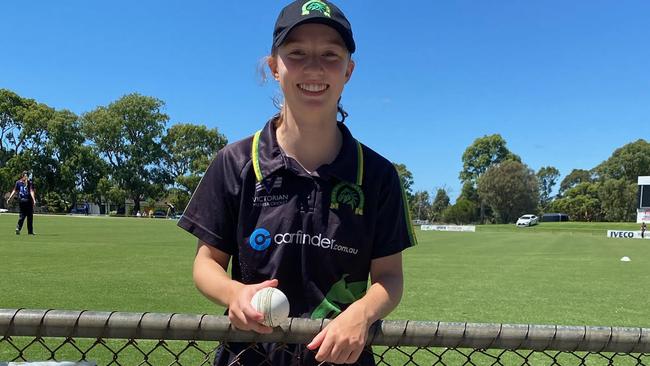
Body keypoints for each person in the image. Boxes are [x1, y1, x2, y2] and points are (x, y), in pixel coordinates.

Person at [178, 1, 417, 364]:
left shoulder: (379, 175)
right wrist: (233, 293)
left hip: (340, 358)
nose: (314, 67)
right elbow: (205, 263)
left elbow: (389, 278)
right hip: (249, 356)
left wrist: (362, 313)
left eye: (330, 55)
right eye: (297, 53)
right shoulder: (236, 162)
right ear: (274, 67)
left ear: (349, 71)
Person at [7, 171, 36, 235]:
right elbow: (31, 191)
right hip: (28, 201)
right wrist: (34, 200)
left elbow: (14, 191)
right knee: (29, 217)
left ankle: (18, 228)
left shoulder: (18, 182)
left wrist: (10, 198)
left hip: (21, 201)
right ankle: (30, 232)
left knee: (22, 216)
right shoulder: (30, 182)